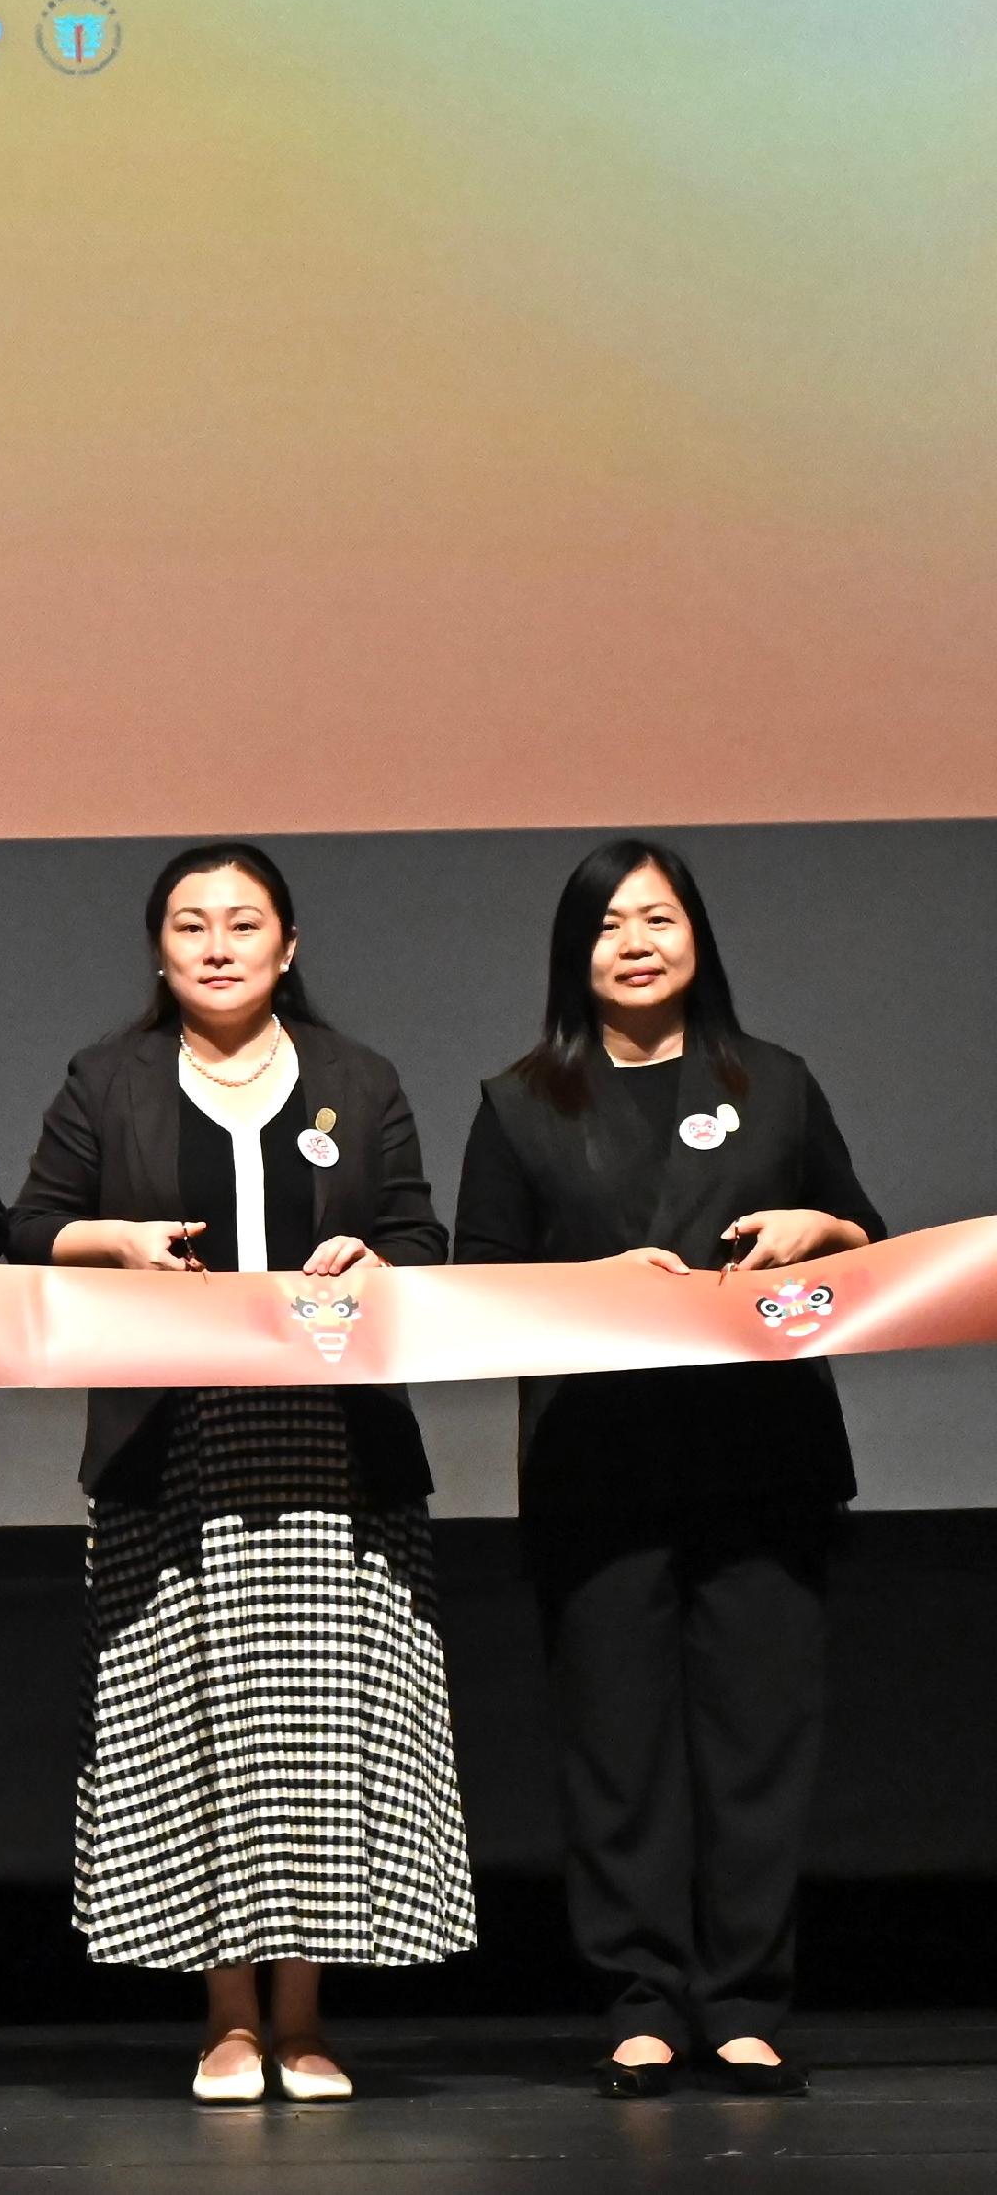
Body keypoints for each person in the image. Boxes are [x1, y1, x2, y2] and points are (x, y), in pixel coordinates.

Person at [9, 841, 472, 2102]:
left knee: (325, 1727)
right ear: (159, 949)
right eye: (190, 922)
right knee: (198, 1726)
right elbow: (26, 1223)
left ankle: (306, 2014)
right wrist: (111, 1237)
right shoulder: (106, 1079)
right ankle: (224, 2016)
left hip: (333, 1440)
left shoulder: (355, 1077)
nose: (217, 943)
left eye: (243, 920)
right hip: (177, 1440)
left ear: (288, 944)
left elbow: (419, 1233)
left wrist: (377, 1262)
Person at [454, 838, 880, 2099]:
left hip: (766, 1457)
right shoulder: (521, 1098)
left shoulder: (777, 1082)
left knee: (757, 1741)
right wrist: (586, 1287)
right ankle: (642, 1999)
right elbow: (473, 1281)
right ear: (571, 953)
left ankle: (744, 2000)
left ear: (698, 935)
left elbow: (871, 1237)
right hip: (599, 1464)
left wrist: (827, 1228)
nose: (634, 940)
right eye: (606, 923)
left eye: (658, 916)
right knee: (617, 1742)